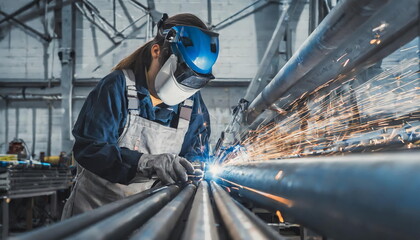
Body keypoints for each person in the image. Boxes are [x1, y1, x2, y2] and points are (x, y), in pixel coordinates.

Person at [62, 13, 219, 218]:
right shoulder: (116, 87)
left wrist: (195, 168)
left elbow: (196, 153)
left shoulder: (192, 104)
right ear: (156, 51)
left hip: (150, 219)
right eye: (182, 74)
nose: (185, 87)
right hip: (95, 214)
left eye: (195, 81)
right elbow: (91, 149)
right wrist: (146, 163)